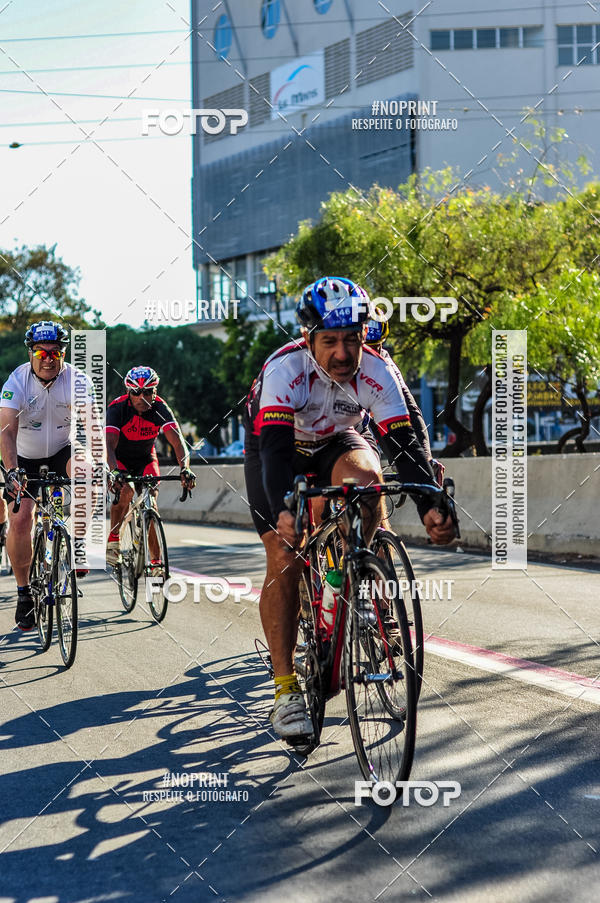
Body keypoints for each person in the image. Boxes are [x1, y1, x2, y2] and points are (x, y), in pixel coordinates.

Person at [243, 277, 456, 739]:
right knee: (285, 551)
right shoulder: (286, 370)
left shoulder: (376, 370)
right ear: (308, 339)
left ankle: (359, 571)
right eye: (330, 341)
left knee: (368, 480)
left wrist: (429, 504)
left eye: (352, 340)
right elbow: (276, 455)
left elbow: (404, 442)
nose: (343, 353)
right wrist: (286, 509)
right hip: (277, 446)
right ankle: (284, 691)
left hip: (337, 440)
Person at [0, 321, 95, 631]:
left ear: (63, 353)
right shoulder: (16, 381)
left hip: (60, 450)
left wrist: (100, 464)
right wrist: (13, 472)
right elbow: (6, 432)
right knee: (21, 518)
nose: (48, 358)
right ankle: (24, 593)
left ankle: (78, 542)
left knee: (88, 472)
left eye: (55, 352)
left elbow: (92, 430)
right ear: (31, 353)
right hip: (24, 456)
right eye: (41, 352)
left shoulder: (78, 380)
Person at [105, 366, 195, 566]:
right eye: (136, 392)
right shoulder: (117, 408)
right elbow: (108, 446)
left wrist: (185, 468)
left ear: (155, 392)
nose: (142, 397)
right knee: (126, 492)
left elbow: (179, 442)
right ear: (129, 392)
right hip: (119, 459)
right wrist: (114, 471)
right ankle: (113, 539)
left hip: (146, 459)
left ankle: (155, 562)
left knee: (151, 505)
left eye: (147, 392)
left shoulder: (160, 409)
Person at [363, 316, 445, 485]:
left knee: (381, 412)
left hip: (371, 413)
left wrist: (425, 458)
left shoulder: (386, 365)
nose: (371, 355)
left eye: (375, 347)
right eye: (364, 349)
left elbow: (411, 411)